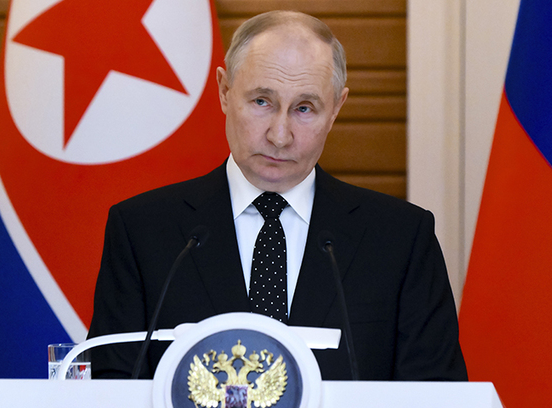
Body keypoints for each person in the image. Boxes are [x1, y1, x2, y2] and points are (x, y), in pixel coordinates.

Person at [87, 10, 467, 381]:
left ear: (336, 109)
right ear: (224, 91)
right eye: (262, 102)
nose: (280, 136)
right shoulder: (142, 231)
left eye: (304, 108)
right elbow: (111, 388)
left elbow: (438, 394)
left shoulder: (401, 239)